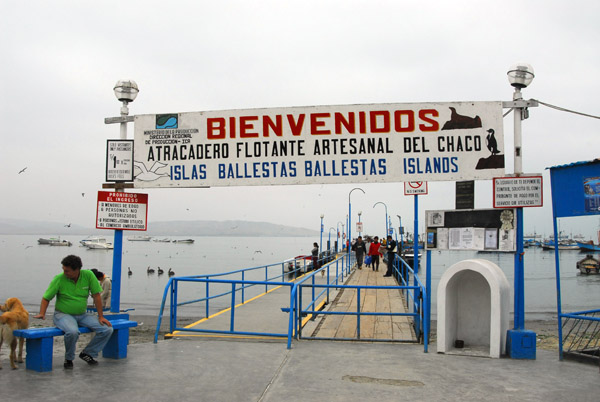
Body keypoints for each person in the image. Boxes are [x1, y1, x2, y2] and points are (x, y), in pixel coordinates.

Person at [34, 255, 113, 369]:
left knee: (107, 329)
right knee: (72, 332)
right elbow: (46, 298)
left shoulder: (88, 275)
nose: (65, 272)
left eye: (67, 271)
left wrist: (101, 317)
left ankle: (88, 353)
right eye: (63, 270)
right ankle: (69, 358)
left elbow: (97, 296)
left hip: (82, 314)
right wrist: (42, 313)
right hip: (63, 314)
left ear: (77, 270)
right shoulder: (59, 279)